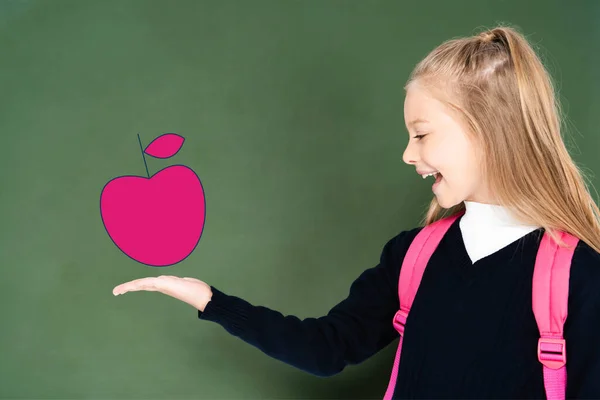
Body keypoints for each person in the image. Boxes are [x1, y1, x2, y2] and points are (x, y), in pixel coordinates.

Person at [112, 25, 600, 398]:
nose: (409, 155)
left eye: (422, 133)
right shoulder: (412, 256)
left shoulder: (580, 275)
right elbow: (327, 349)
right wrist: (212, 301)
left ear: (489, 129)